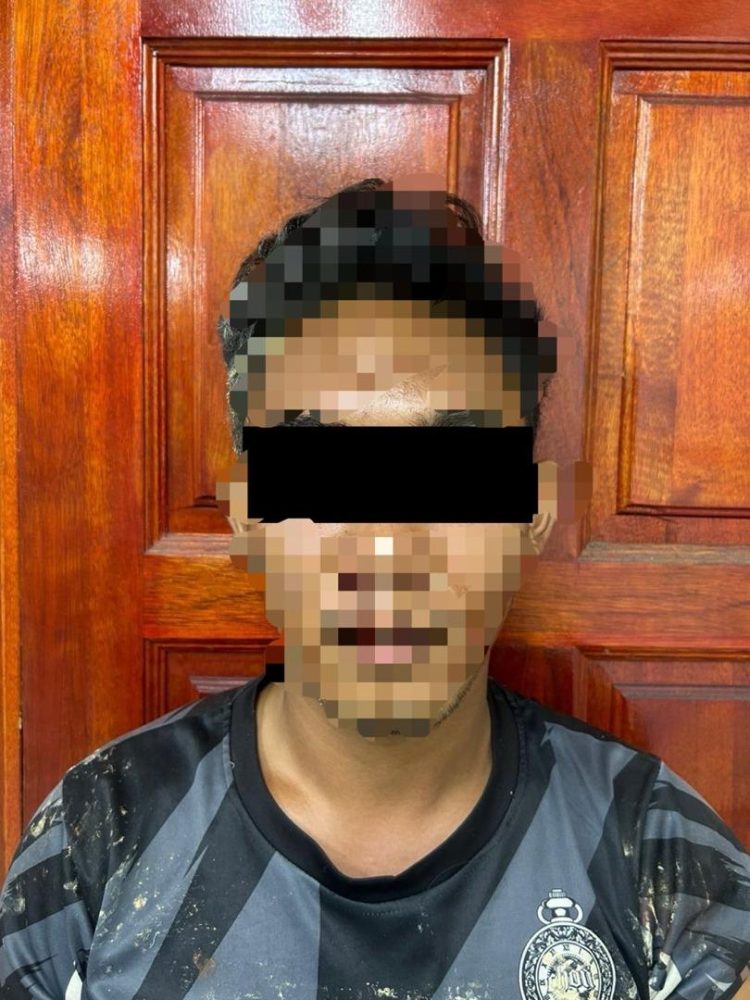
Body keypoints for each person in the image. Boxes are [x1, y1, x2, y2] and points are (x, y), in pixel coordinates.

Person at [1, 175, 748, 999]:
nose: (388, 548)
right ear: (246, 518)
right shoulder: (99, 838)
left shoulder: (661, 864)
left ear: (531, 514)